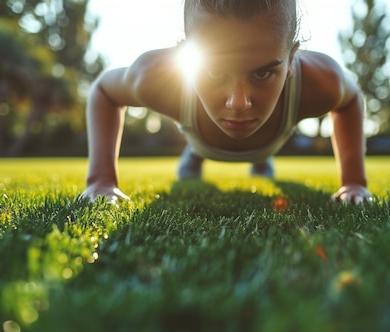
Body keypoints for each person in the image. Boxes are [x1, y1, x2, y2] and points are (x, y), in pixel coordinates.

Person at [81, 0, 373, 205]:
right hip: (199, 139)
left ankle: (261, 159)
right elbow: (104, 91)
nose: (238, 102)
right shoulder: (156, 77)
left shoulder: (321, 82)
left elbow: (350, 101)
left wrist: (354, 181)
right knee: (195, 154)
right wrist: (101, 180)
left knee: (260, 153)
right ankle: (194, 156)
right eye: (214, 71)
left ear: (292, 58)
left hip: (270, 140)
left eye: (262, 73)